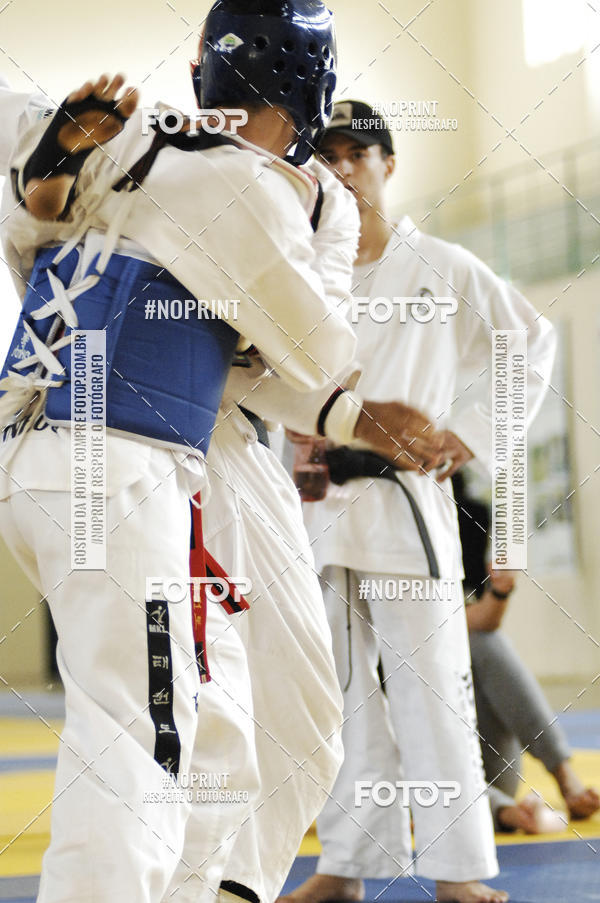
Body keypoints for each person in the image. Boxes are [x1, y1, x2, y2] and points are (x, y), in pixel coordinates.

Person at [0, 12, 444, 902]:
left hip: (84, 451)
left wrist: (40, 181)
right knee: (146, 737)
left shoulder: (132, 143)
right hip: (128, 458)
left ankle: (209, 891)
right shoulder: (240, 183)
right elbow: (317, 352)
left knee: (222, 726)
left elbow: (34, 193)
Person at [281, 100, 556, 903]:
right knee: (336, 695)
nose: (338, 168)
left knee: (432, 686)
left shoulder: (442, 265)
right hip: (318, 506)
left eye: (353, 153)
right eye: (323, 156)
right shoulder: (302, 277)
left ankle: (458, 870)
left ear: (387, 164)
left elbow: (530, 343)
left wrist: (470, 430)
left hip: (406, 506)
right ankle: (346, 865)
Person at [452, 473, 600, 835]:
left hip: (487, 769)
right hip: (426, 783)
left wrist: (499, 592)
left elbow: (478, 623)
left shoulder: (468, 515)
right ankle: (507, 813)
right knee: (397, 782)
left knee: (483, 643)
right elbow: (427, 631)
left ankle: (562, 775)